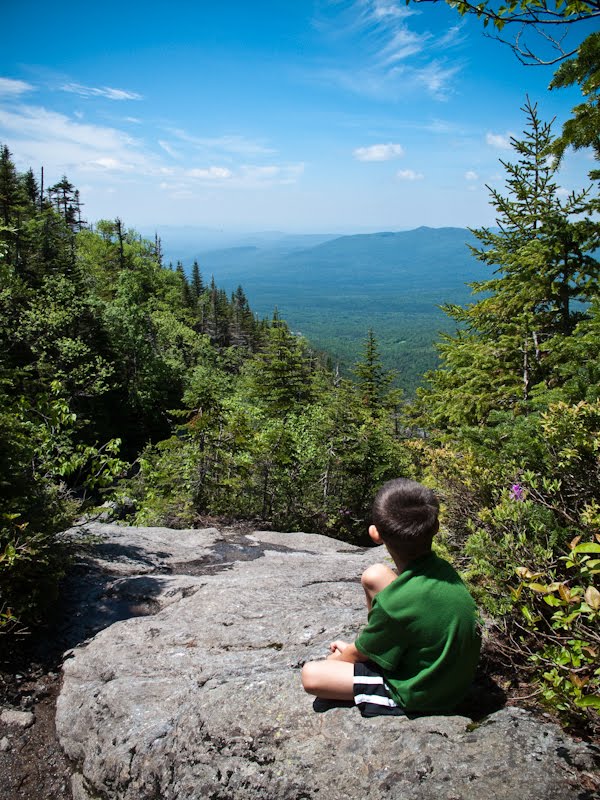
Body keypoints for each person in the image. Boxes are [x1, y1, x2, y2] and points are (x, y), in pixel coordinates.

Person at [301, 478, 481, 717]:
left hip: (422, 692)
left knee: (312, 675)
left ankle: (381, 656)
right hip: (448, 673)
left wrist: (341, 657)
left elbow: (355, 656)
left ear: (375, 534)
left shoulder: (396, 605)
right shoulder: (443, 570)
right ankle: (381, 645)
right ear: (436, 527)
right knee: (374, 575)